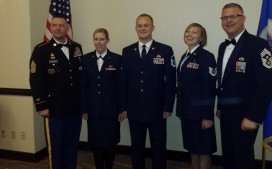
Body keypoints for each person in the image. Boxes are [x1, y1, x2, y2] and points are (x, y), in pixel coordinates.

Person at [216, 3, 272, 169]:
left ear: (243, 18)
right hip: (226, 113)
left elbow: (266, 85)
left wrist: (254, 117)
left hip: (245, 115)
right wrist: (220, 106)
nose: (228, 21)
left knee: (243, 159)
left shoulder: (258, 45)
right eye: (224, 17)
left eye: (233, 16)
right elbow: (223, 81)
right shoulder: (222, 47)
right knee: (228, 156)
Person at [120, 13, 176, 169]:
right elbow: (124, 82)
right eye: (139, 25)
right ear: (135, 28)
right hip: (134, 108)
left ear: (153, 27)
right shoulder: (127, 51)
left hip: (157, 109)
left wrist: (168, 106)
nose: (143, 28)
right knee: (136, 146)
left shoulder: (165, 50)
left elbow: (171, 81)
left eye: (146, 25)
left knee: (158, 147)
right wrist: (123, 106)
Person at [29, 16, 83, 169]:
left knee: (72, 146)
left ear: (67, 28)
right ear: (50, 27)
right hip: (54, 109)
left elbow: (79, 77)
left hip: (74, 108)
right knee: (56, 148)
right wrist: (41, 105)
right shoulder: (41, 50)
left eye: (61, 25)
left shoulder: (76, 47)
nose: (58, 28)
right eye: (54, 25)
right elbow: (35, 79)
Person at [176, 23, 217, 169]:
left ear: (201, 37)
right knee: (192, 149)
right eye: (187, 31)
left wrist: (207, 116)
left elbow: (209, 88)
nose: (189, 34)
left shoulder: (207, 57)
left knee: (204, 151)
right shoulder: (184, 56)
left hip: (200, 115)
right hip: (187, 113)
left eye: (194, 32)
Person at [81, 28, 123, 169]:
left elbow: (121, 86)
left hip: (111, 111)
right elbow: (83, 86)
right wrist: (84, 108)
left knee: (110, 143)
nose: (98, 42)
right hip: (93, 111)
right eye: (96, 39)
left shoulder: (117, 59)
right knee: (96, 143)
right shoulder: (86, 59)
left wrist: (122, 108)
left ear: (108, 40)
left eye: (102, 39)